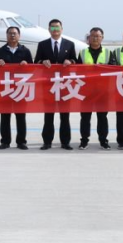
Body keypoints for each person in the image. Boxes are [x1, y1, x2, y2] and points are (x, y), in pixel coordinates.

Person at [34, 19, 76, 150]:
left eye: (57, 27)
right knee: (48, 115)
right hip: (49, 86)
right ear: (49, 30)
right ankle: (47, 142)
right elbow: (36, 61)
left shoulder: (69, 44)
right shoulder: (42, 44)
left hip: (65, 85)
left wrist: (70, 61)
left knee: (65, 116)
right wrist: (42, 62)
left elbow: (75, 61)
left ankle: (65, 142)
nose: (55, 30)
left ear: (61, 29)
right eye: (52, 28)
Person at [0, 25, 34, 150]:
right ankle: (5, 141)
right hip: (5, 89)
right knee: (5, 116)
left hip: (21, 89)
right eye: (10, 33)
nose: (12, 35)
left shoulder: (25, 51)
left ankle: (21, 141)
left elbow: (33, 70)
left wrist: (27, 64)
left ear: (19, 35)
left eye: (15, 33)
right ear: (6, 35)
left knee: (21, 116)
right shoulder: (0, 51)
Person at [77, 27, 111, 149]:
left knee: (102, 117)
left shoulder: (108, 53)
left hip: (103, 91)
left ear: (102, 38)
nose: (95, 38)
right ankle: (84, 140)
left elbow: (114, 71)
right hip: (86, 91)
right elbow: (77, 70)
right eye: (93, 36)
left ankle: (103, 141)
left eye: (98, 36)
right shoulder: (82, 53)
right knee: (85, 117)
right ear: (89, 38)